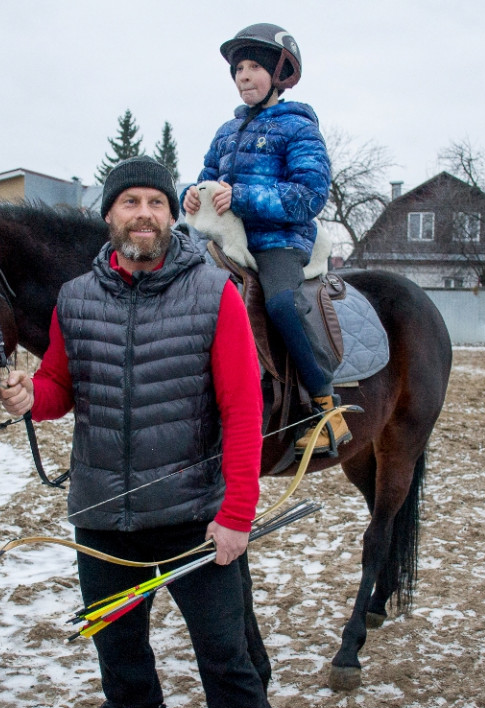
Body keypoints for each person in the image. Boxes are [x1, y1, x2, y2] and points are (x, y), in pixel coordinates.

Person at [0, 157, 282, 708]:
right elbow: (62, 387)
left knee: (227, 664)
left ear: (170, 214)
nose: (145, 214)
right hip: (103, 519)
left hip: (194, 521)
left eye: (156, 201)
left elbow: (243, 407)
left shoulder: (214, 293)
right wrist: (28, 397)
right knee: (121, 660)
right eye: (131, 202)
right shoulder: (75, 299)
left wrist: (237, 513)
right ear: (109, 217)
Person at [182, 23, 348, 457]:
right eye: (238, 69)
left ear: (280, 73)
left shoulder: (298, 128)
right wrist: (192, 192)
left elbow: (309, 195)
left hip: (280, 241)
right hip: (227, 240)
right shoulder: (225, 131)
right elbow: (207, 178)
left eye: (254, 66)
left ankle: (326, 404)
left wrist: (244, 197)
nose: (243, 76)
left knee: (279, 303)